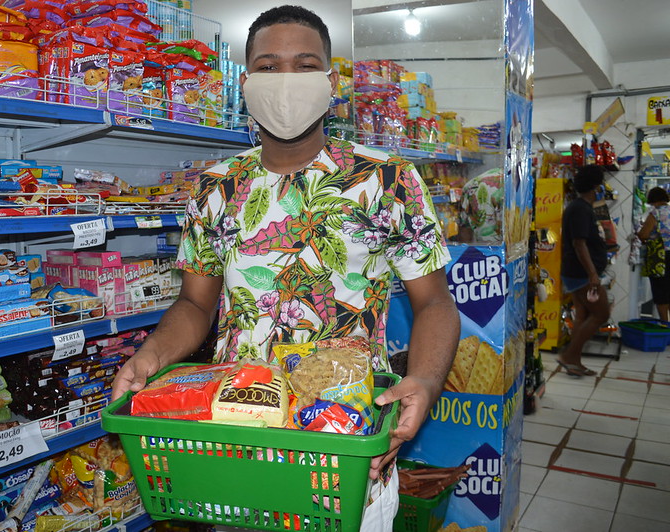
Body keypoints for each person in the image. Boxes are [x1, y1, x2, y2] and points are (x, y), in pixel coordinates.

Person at [112, 5, 460, 530]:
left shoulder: (389, 182)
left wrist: (426, 383)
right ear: (245, 81)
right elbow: (195, 304)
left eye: (305, 64)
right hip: (233, 440)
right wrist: (151, 356)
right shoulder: (215, 189)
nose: (286, 81)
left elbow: (433, 302)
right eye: (269, 67)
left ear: (329, 82)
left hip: (347, 450)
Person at [558, 165, 608, 377]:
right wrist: (592, 274)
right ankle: (569, 356)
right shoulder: (580, 209)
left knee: (583, 315)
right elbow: (579, 244)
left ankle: (574, 361)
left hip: (577, 272)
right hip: (582, 274)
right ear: (596, 185)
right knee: (601, 314)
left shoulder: (581, 207)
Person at [637, 187, 670, 321]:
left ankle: (665, 326)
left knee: (661, 292)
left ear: (654, 201)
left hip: (661, 258)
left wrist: (640, 235)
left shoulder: (655, 214)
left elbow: (644, 234)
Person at [457, 168, 504, 243]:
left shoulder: (471, 184)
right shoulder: (519, 184)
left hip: (483, 251)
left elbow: (464, 231)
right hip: (513, 251)